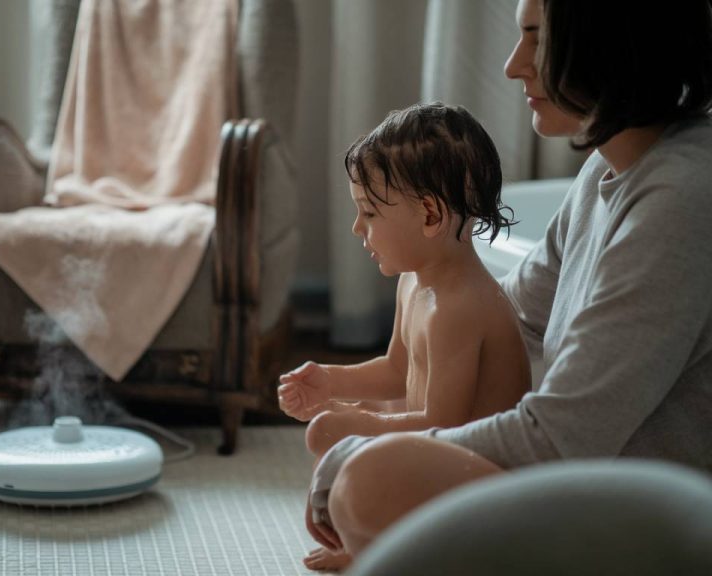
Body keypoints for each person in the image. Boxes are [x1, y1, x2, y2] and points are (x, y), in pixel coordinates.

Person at [303, 0, 712, 570]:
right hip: (585, 476)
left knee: (371, 482)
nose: (513, 66)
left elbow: (560, 436)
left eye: (535, 39)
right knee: (376, 465)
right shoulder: (608, 168)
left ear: (605, 41)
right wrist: (366, 399)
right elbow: (510, 315)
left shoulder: (682, 199)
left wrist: (370, 444)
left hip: (645, 511)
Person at [278, 102, 531, 571]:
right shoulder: (414, 280)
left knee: (347, 432)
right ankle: (365, 541)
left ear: (430, 215)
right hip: (440, 453)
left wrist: (355, 426)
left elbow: (444, 424)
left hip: (483, 482)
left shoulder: (460, 307)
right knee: (358, 420)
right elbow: (398, 371)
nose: (358, 228)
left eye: (369, 213)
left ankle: (385, 549)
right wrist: (333, 383)